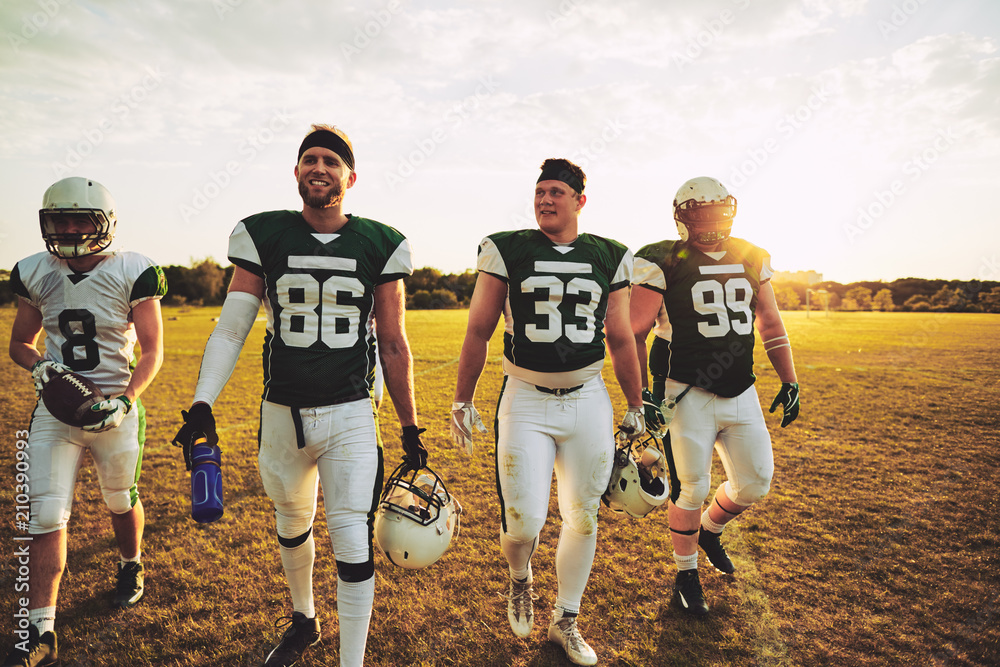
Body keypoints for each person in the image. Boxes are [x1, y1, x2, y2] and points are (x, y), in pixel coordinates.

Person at [172, 124, 424, 667]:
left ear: (349, 177)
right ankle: (303, 618)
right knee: (292, 524)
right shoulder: (265, 235)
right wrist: (201, 402)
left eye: (331, 162)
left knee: (352, 542)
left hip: (351, 412)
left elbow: (395, 344)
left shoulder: (381, 242)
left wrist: (409, 427)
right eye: (309, 159)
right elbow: (232, 328)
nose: (319, 168)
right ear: (296, 172)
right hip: (281, 414)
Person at [451, 158, 645, 666]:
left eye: (557, 191)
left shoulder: (611, 255)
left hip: (587, 398)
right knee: (524, 522)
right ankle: (520, 578)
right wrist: (462, 397)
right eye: (539, 191)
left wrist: (636, 405)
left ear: (581, 200)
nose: (545, 200)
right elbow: (478, 329)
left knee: (582, 518)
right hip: (527, 397)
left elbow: (622, 337)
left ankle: (566, 619)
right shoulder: (508, 248)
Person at [4, 177, 167, 667]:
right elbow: (20, 342)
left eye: (81, 219)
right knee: (46, 514)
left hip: (116, 408)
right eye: (60, 220)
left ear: (106, 224)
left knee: (119, 499)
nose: (70, 229)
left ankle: (130, 565)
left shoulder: (133, 271)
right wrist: (40, 366)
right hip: (57, 411)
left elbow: (154, 351)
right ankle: (40, 629)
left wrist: (125, 400)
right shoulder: (35, 271)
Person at [629, 176, 800, 617]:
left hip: (741, 388)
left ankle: (710, 531)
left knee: (756, 482)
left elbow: (770, 322)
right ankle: (686, 574)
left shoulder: (750, 255)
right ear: (682, 217)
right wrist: (642, 396)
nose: (708, 223)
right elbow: (635, 331)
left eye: (715, 214)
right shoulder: (661, 259)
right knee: (692, 487)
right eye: (699, 215)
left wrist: (789, 378)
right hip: (685, 392)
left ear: (731, 211)